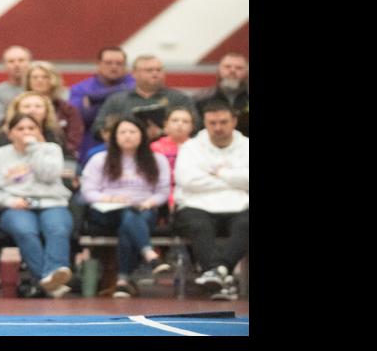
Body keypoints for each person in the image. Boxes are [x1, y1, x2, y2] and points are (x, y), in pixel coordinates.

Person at [0, 112, 75, 298]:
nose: (26, 132)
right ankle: (50, 280)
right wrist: (9, 201)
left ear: (39, 131)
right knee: (25, 230)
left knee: (57, 228)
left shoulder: (51, 149)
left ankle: (51, 274)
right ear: (10, 133)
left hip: (52, 202)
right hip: (15, 205)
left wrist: (34, 149)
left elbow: (48, 176)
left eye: (31, 128)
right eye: (20, 129)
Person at [81, 115, 173, 298]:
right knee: (129, 215)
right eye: (122, 132)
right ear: (114, 136)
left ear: (142, 135)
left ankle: (122, 282)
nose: (127, 136)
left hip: (143, 208)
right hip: (107, 211)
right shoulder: (99, 159)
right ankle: (148, 254)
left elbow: (163, 192)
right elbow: (88, 192)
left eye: (132, 131)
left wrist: (149, 202)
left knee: (129, 222)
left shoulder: (157, 160)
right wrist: (111, 199)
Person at [174, 101, 250, 301]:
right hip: (197, 204)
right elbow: (188, 181)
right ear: (205, 123)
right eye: (212, 123)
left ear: (234, 121)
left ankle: (218, 272)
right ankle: (221, 276)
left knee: (247, 223)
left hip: (240, 205)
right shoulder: (191, 147)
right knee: (199, 225)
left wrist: (221, 173)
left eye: (223, 122)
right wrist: (235, 179)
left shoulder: (247, 146)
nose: (218, 128)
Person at [91, 54, 193, 151]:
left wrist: (163, 132)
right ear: (134, 73)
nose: (155, 73)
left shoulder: (178, 98)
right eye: (149, 70)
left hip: (172, 151)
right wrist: (121, 134)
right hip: (124, 151)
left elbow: (195, 125)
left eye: (159, 70)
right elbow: (98, 127)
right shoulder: (117, 100)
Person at [66, 47, 134, 150]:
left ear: (125, 66)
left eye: (119, 63)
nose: (114, 67)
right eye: (108, 63)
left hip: (130, 146)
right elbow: (78, 117)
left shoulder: (136, 84)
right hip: (91, 147)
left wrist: (94, 98)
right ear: (98, 64)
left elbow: (134, 88)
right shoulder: (81, 89)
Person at [24, 61, 87, 153]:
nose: (39, 80)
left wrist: (55, 153)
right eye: (35, 77)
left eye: (45, 77)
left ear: (54, 80)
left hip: (63, 155)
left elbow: (74, 140)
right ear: (28, 81)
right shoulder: (19, 107)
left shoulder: (67, 109)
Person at [186, 51, 249, 136]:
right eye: (227, 67)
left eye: (239, 68)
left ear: (246, 72)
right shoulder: (200, 99)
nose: (232, 70)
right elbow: (194, 129)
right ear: (219, 70)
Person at [149, 106, 194, 208]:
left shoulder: (198, 147)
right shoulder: (154, 147)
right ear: (166, 124)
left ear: (192, 127)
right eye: (175, 120)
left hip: (190, 190)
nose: (180, 124)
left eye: (185, 121)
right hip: (160, 190)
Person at [0, 45, 33, 129]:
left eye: (21, 60)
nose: (17, 65)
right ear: (4, 65)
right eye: (11, 61)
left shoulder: (41, 89)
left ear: (29, 63)